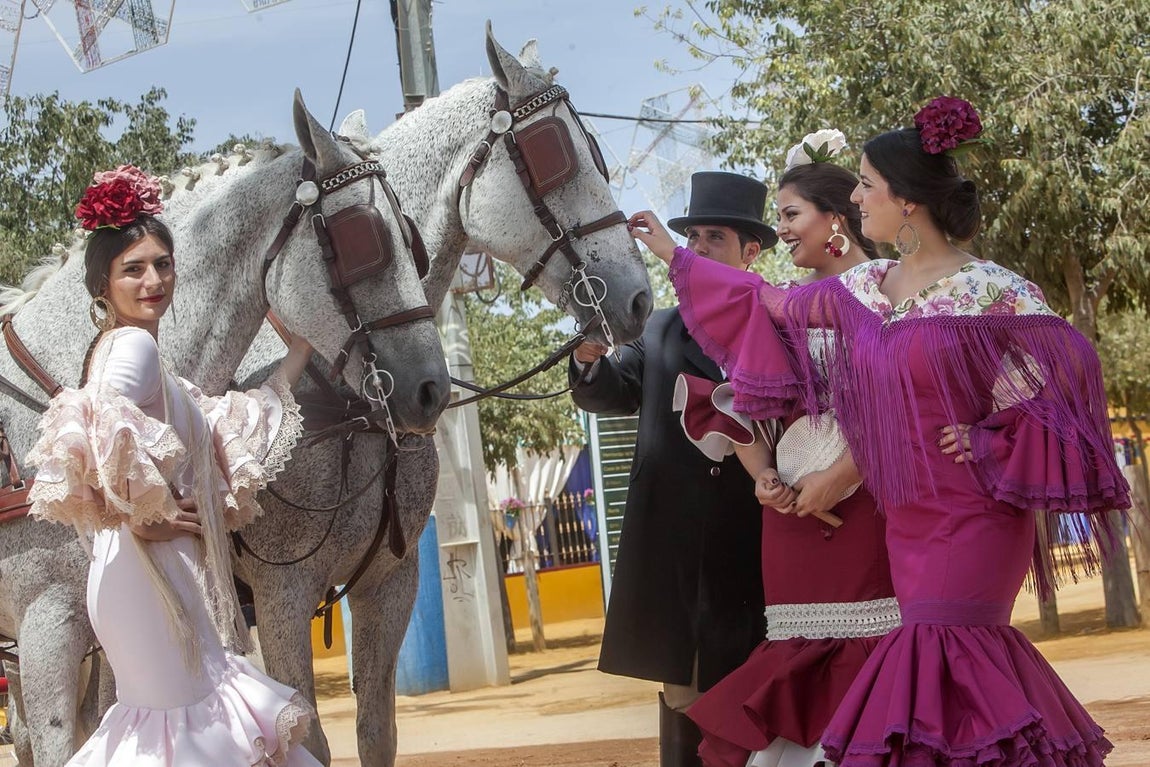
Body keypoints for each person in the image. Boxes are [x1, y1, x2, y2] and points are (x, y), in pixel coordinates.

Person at [638, 98, 1128, 767]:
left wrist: (989, 439)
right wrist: (674, 255)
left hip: (975, 513)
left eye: (867, 184)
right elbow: (768, 304)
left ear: (907, 201)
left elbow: (1066, 380)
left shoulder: (993, 290)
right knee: (931, 672)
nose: (856, 196)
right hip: (908, 519)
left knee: (951, 653)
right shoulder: (869, 286)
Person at [27, 165, 322, 766]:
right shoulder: (133, 347)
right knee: (189, 730)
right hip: (145, 573)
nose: (153, 279)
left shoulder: (144, 360)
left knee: (175, 731)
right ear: (102, 285)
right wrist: (142, 518)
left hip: (143, 571)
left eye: (162, 264)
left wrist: (300, 350)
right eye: (133, 269)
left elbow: (228, 422)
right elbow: (91, 423)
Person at [667, 134, 900, 767]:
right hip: (790, 520)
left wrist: (841, 477)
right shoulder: (783, 307)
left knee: (873, 650)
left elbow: (905, 406)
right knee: (795, 655)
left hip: (869, 510)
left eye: (792, 215)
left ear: (837, 220)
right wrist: (763, 475)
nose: (782, 231)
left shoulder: (891, 293)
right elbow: (753, 402)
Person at [570, 171, 774, 766]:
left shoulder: (778, 321)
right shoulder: (659, 328)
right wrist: (586, 360)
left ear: (751, 252)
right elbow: (611, 388)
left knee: (771, 705)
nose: (700, 248)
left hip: (767, 548)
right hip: (684, 562)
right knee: (689, 712)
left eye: (716, 238)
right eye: (694, 237)